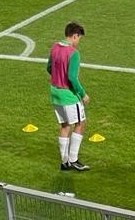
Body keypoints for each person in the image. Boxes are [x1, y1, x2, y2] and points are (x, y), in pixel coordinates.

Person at [47, 21, 90, 172]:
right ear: (74, 35)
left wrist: (58, 78)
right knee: (80, 123)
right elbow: (72, 77)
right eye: (79, 38)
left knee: (65, 125)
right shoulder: (73, 53)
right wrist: (83, 94)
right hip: (68, 95)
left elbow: (49, 68)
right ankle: (73, 159)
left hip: (54, 92)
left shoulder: (54, 47)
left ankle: (64, 162)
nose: (78, 42)